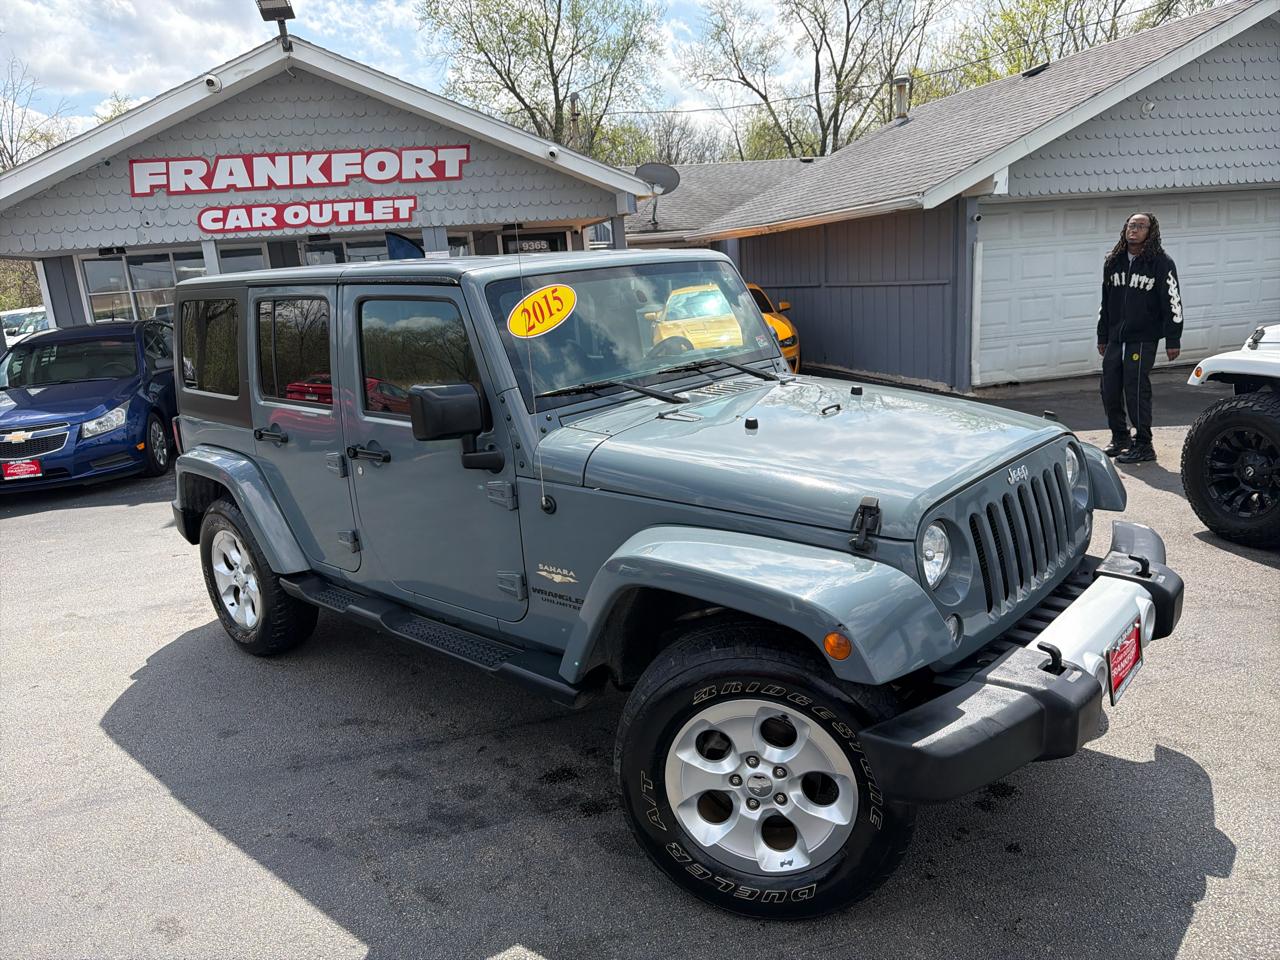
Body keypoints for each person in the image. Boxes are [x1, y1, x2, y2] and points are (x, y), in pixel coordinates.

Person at [1096, 212, 1184, 463]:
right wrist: (1103, 334)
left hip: (1143, 338)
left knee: (1135, 389)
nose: (1134, 229)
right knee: (1109, 388)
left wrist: (1173, 338)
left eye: (1140, 226)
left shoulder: (1160, 262)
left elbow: (1172, 301)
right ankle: (1120, 437)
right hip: (1115, 337)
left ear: (1151, 231)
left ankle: (1144, 444)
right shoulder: (1113, 262)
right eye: (1131, 225)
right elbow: (1106, 303)